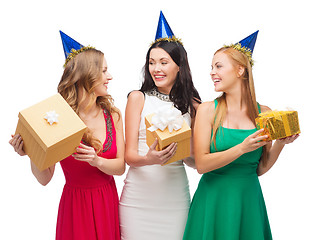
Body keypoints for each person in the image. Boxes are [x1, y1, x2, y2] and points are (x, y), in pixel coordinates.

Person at [182, 31, 299, 240]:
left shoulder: (264, 113)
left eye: (218, 66)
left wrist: (281, 143)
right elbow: (201, 164)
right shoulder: (208, 110)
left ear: (240, 70)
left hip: (249, 201)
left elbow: (260, 168)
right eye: (211, 67)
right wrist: (242, 148)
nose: (211, 72)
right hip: (213, 200)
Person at [9, 31, 125, 240]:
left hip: (106, 201)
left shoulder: (113, 115)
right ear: (86, 76)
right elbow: (45, 179)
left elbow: (120, 167)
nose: (110, 77)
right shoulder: (58, 118)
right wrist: (32, 152)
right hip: (75, 206)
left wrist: (96, 160)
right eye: (104, 71)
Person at [119, 11, 201, 240]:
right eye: (152, 63)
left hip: (175, 198)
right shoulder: (138, 98)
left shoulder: (194, 105)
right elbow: (129, 156)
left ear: (179, 66)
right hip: (138, 198)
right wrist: (150, 159)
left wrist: (186, 154)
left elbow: (194, 160)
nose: (156, 69)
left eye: (164, 62)